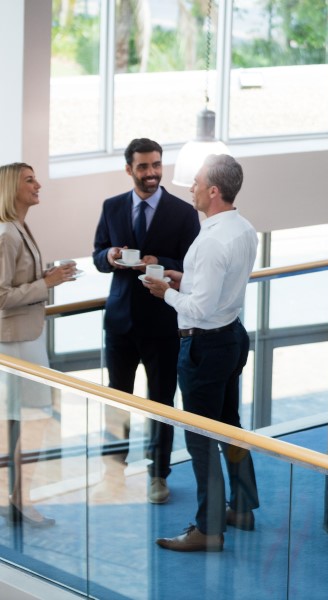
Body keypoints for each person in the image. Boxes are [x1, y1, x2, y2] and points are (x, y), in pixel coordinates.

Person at [146, 154, 259, 552]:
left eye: (195, 183)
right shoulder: (243, 229)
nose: (189, 188)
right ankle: (242, 507)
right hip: (231, 337)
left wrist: (167, 291)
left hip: (205, 346)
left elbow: (199, 309)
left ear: (213, 191)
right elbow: (220, 285)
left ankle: (209, 529)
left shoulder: (211, 240)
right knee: (230, 426)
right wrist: (185, 277)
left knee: (200, 439)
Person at [92, 138, 200, 505]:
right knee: (116, 400)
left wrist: (160, 259)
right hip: (120, 322)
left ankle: (159, 474)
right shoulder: (111, 207)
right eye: (143, 167)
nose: (152, 173)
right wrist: (110, 254)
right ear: (129, 170)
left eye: (156, 165)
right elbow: (97, 255)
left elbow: (192, 266)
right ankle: (114, 471)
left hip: (163, 323)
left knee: (161, 403)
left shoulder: (184, 213)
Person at [0, 162, 76, 527]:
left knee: (23, 424)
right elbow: (1, 297)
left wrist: (48, 277)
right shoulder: (6, 234)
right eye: (30, 180)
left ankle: (18, 498)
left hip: (25, 339)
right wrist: (48, 283)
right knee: (30, 423)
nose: (38, 184)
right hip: (17, 344)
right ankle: (20, 500)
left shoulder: (19, 227)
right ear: (11, 187)